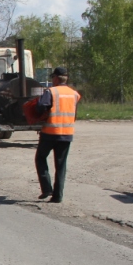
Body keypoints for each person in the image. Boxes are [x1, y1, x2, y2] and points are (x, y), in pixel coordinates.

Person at [35, 67, 81, 203]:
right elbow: (75, 114)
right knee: (61, 165)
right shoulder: (74, 94)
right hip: (66, 133)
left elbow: (41, 106)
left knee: (40, 158)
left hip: (50, 132)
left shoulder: (51, 92)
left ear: (55, 78)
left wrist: (38, 114)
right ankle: (58, 196)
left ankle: (46, 188)